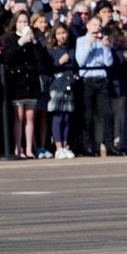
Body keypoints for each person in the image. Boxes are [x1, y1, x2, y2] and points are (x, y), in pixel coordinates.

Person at [2, 11, 47, 159]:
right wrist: (20, 42)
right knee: (19, 116)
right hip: (17, 82)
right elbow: (8, 57)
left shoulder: (33, 39)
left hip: (31, 81)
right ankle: (18, 147)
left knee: (30, 116)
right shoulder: (10, 38)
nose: (23, 24)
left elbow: (40, 58)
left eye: (26, 22)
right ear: (15, 23)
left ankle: (28, 148)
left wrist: (33, 42)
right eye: (20, 22)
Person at [75, 15, 114, 156]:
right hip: (87, 81)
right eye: (94, 24)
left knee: (108, 113)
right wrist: (88, 44)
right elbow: (80, 61)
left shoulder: (102, 41)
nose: (97, 27)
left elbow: (108, 62)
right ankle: (88, 146)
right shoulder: (81, 40)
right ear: (88, 26)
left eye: (99, 25)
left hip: (101, 80)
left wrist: (106, 47)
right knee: (88, 115)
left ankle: (109, 145)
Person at [46, 23, 77, 159]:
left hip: (69, 86)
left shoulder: (71, 49)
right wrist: (59, 62)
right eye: (58, 33)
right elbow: (48, 67)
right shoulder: (52, 50)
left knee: (66, 118)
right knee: (57, 118)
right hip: (56, 86)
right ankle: (58, 147)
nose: (61, 36)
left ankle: (65, 145)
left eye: (63, 32)